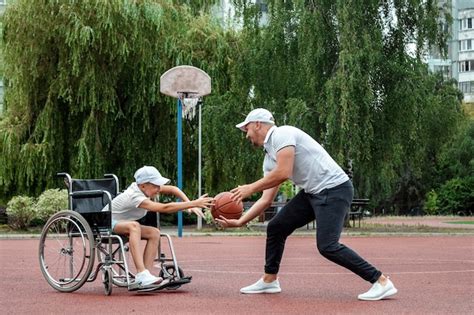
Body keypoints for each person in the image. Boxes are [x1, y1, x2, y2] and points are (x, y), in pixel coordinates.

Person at [215, 108, 397, 300]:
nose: (246, 135)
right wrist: (240, 222)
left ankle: (381, 281)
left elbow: (284, 172)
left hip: (334, 189)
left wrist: (250, 188)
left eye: (247, 129)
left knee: (327, 246)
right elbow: (266, 199)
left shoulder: (282, 134)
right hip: (313, 192)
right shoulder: (269, 159)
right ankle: (269, 281)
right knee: (276, 227)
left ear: (258, 124)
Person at [104, 165, 214, 286]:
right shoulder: (135, 195)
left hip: (122, 223)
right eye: (155, 185)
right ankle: (141, 274)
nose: (158, 188)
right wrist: (193, 203)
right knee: (134, 226)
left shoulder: (145, 188)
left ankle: (146, 275)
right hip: (106, 222)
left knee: (154, 233)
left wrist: (190, 204)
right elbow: (164, 208)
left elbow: (173, 189)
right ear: (143, 185)